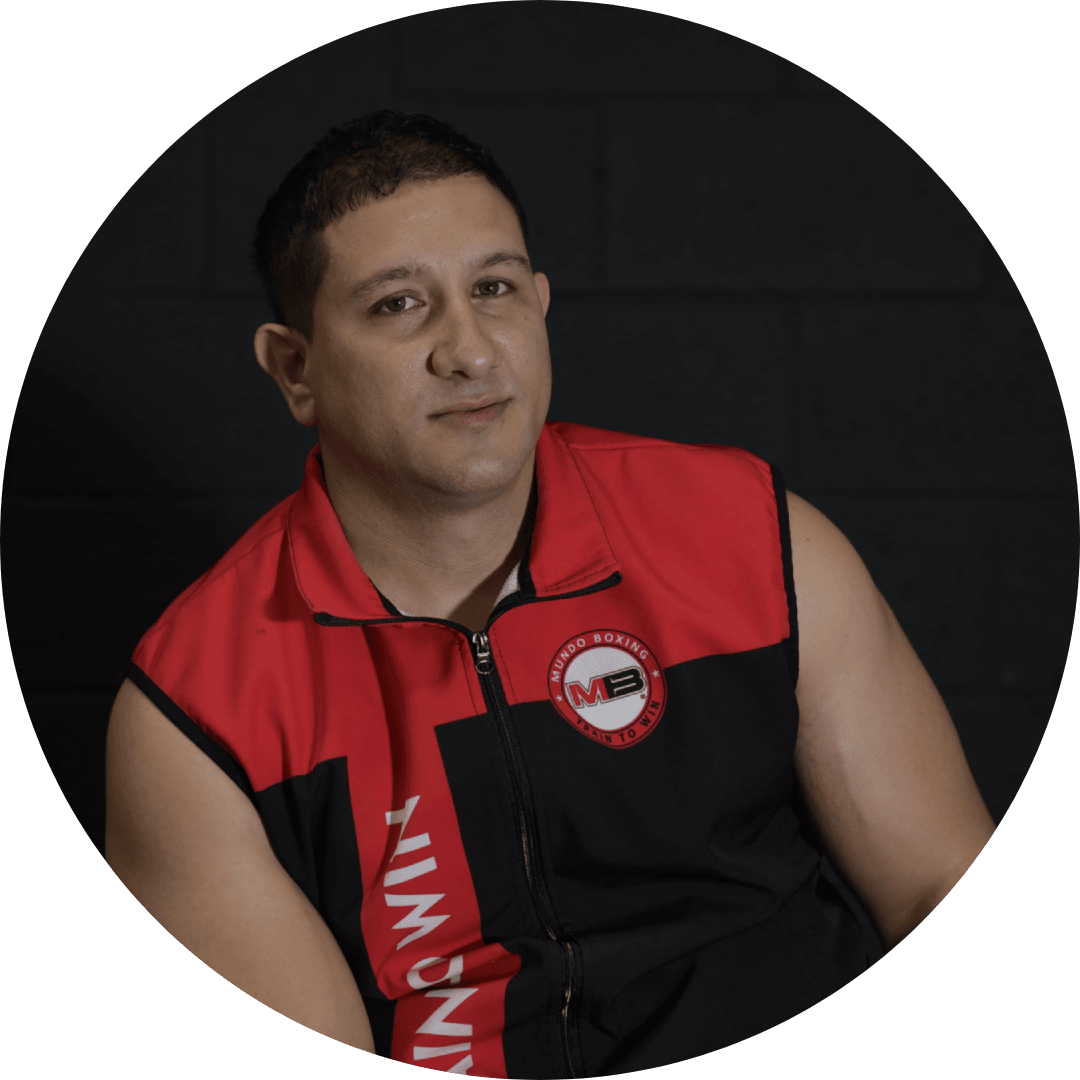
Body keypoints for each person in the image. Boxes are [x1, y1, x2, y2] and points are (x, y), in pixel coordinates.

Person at [105, 111, 995, 1078]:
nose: (470, 350)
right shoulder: (195, 709)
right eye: (398, 304)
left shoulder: (754, 536)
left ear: (539, 303)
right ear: (297, 369)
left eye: (493, 289)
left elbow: (943, 888)